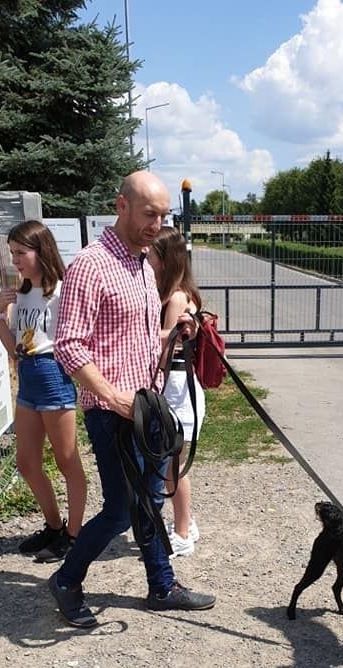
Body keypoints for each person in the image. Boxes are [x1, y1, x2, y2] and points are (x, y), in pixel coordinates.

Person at [48, 171, 216, 628]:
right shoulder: (90, 265)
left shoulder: (143, 264)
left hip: (146, 405)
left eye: (162, 216)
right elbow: (69, 345)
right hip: (111, 412)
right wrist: (113, 398)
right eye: (148, 214)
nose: (156, 224)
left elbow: (138, 341)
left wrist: (178, 335)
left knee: (149, 502)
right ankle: (66, 579)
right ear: (120, 205)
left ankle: (162, 585)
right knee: (122, 509)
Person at [0, 220, 87, 562]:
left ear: (40, 251)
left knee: (67, 461)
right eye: (12, 252)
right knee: (27, 462)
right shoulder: (22, 289)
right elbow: (14, 348)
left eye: (20, 252)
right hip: (29, 375)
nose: (15, 260)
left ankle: (74, 537)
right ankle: (54, 526)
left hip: (52, 373)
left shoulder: (62, 289)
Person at [147, 226, 204, 557]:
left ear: (166, 258)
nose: (146, 257)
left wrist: (141, 335)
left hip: (177, 390)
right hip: (176, 387)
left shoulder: (178, 296)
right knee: (172, 462)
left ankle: (182, 532)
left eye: (151, 253)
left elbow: (167, 348)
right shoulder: (173, 292)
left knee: (173, 465)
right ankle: (187, 522)